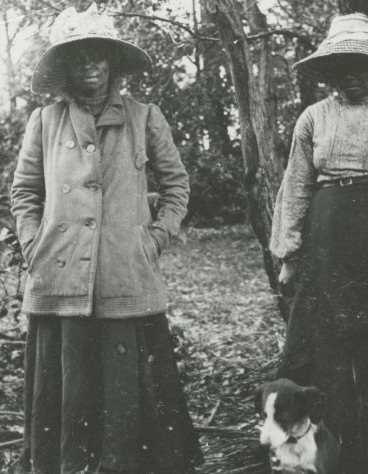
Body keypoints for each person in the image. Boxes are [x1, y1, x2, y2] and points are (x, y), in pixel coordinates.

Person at [10, 4, 202, 473]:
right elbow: (24, 192)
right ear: (65, 68)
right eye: (80, 58)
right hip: (59, 276)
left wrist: (154, 238)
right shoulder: (44, 123)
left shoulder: (144, 117)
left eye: (98, 56)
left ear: (112, 62)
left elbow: (176, 186)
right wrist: (34, 244)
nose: (91, 67)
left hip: (124, 273)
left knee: (126, 385)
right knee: (69, 383)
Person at [270, 13, 368, 473]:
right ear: (329, 71)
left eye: (362, 65)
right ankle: (328, 457)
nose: (352, 74)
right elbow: (296, 186)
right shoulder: (314, 118)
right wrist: (289, 254)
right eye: (343, 65)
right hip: (327, 242)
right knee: (325, 348)